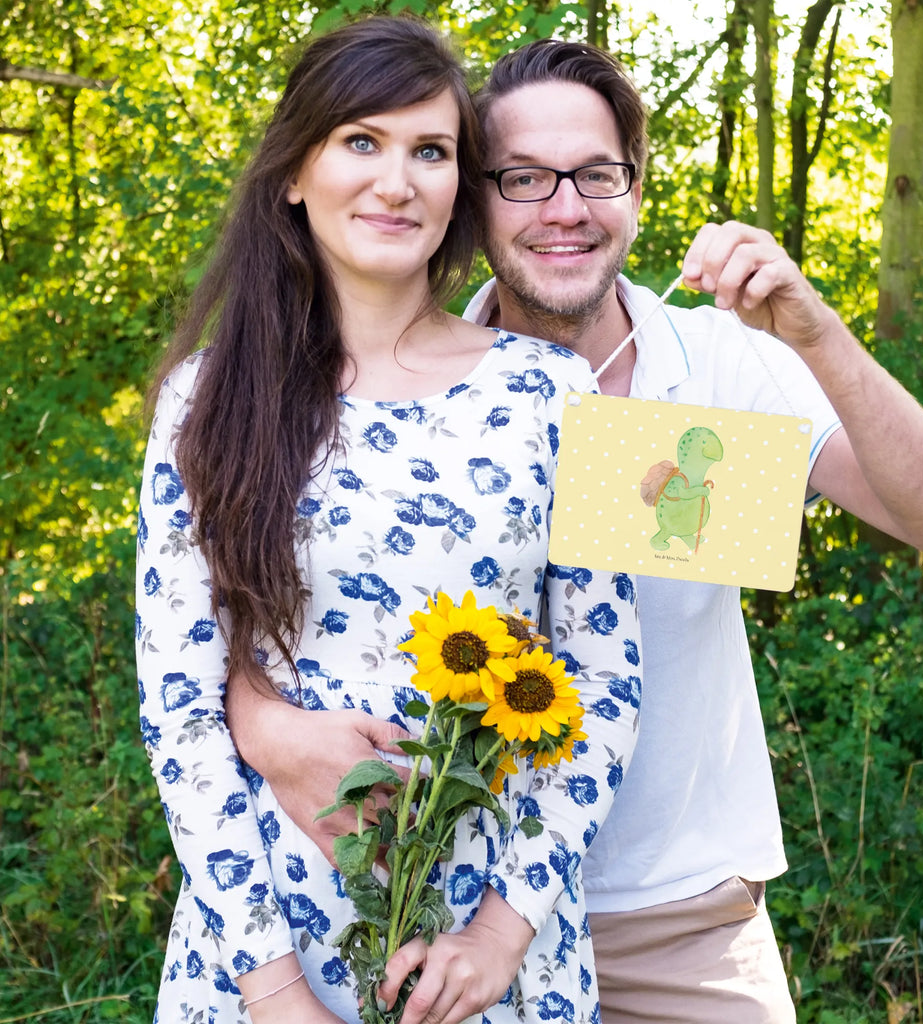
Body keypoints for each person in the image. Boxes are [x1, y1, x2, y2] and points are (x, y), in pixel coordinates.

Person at [226, 36, 923, 1024]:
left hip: (678, 919)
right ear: (473, 196)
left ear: (636, 185)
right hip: (457, 907)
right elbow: (278, 619)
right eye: (525, 178)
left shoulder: (716, 359)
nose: (565, 208)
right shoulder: (407, 382)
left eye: (595, 174)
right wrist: (259, 716)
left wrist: (808, 326)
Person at [136, 19, 640, 1024]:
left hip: (486, 946)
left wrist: (499, 935)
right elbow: (179, 708)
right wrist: (275, 994)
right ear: (293, 172)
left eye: (432, 151)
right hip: (266, 936)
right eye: (361, 142)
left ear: (460, 186)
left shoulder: (559, 392)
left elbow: (607, 679)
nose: (397, 181)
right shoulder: (205, 399)